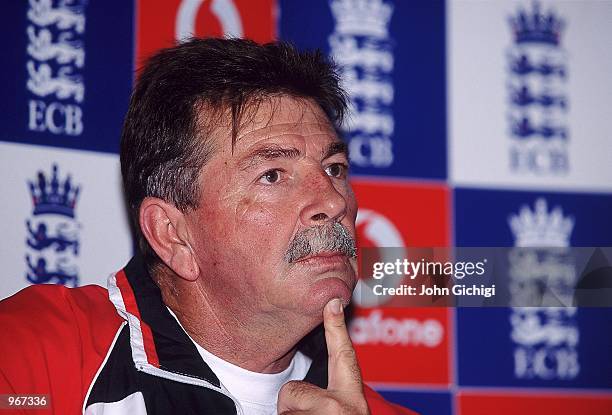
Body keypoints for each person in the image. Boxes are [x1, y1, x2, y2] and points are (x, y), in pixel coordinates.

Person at [0, 38, 416, 415]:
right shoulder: (32, 356)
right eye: (272, 174)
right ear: (172, 233)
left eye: (335, 168)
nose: (332, 200)